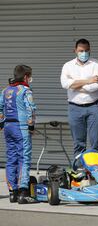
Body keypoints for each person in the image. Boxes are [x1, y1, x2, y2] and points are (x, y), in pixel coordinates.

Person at [0, 65, 38, 204]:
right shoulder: (25, 90)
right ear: (26, 76)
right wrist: (32, 126)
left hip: (8, 127)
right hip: (21, 128)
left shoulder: (5, 90)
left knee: (11, 158)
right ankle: (23, 193)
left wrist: (2, 124)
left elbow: (0, 108)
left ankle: (12, 192)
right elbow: (31, 108)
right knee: (24, 158)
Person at [61, 38, 98, 158]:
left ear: (90, 50)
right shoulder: (67, 66)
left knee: (96, 142)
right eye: (81, 50)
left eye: (86, 50)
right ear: (75, 50)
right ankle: (80, 173)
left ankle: (97, 173)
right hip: (74, 108)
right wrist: (88, 80)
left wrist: (74, 85)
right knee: (78, 143)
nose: (84, 53)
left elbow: (94, 87)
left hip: (94, 107)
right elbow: (65, 84)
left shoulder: (96, 64)